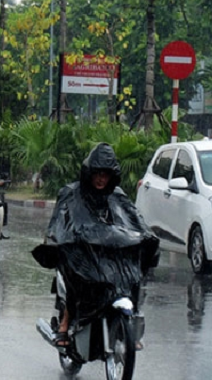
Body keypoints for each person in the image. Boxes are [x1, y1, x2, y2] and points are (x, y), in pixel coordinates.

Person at [34, 143, 159, 348]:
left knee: (131, 275)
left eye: (105, 174)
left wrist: (145, 237)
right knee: (76, 273)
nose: (101, 179)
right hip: (82, 251)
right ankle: (65, 323)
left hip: (108, 253)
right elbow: (58, 224)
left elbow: (134, 219)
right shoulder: (71, 193)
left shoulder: (117, 196)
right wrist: (59, 240)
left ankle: (130, 325)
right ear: (89, 173)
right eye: (97, 174)